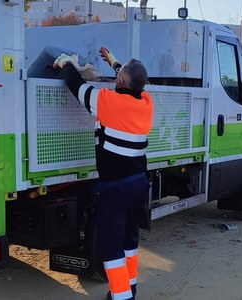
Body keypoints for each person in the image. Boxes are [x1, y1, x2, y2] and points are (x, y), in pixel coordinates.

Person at [53, 47, 154, 300]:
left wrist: (66, 63)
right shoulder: (146, 103)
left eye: (118, 77)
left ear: (120, 82)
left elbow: (76, 86)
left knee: (110, 246)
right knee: (130, 242)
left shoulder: (109, 102)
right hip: (138, 183)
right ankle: (131, 288)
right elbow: (130, 79)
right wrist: (115, 63)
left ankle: (121, 297)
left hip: (115, 188)